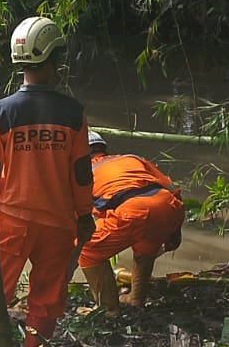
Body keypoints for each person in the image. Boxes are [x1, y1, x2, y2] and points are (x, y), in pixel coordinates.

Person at [0, 17, 94, 347]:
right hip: (59, 222)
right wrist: (85, 214)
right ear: (53, 62)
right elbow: (81, 172)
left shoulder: (0, 112)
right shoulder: (73, 113)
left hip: (12, 220)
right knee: (46, 299)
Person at [77, 132, 185, 316]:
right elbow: (172, 188)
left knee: (87, 250)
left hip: (133, 210)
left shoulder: (80, 172)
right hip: (168, 206)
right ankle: (136, 299)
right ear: (103, 148)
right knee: (144, 250)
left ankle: (109, 311)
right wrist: (175, 230)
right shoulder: (131, 158)